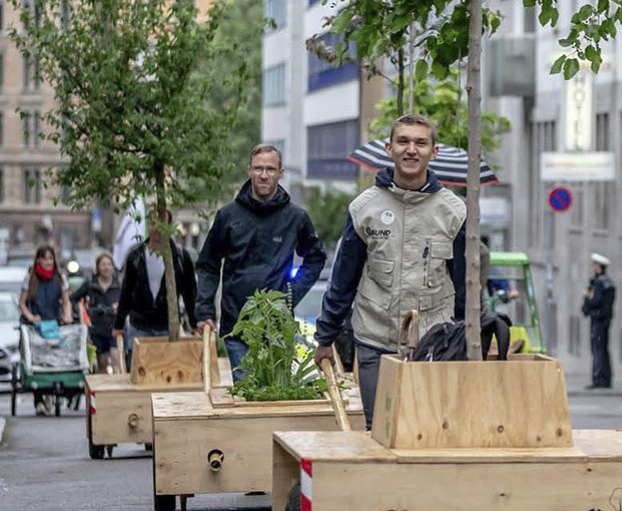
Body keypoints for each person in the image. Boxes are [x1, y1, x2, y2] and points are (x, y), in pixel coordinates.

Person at [313, 114, 467, 428]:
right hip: (375, 339)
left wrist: (467, 337)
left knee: (429, 429)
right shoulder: (364, 208)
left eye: (421, 143)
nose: (412, 150)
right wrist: (325, 337)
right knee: (379, 430)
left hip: (434, 343)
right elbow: (343, 278)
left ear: (433, 152)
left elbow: (466, 283)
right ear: (389, 148)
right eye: (404, 141)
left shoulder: (454, 212)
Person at [194, 144, 326, 381]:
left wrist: (291, 293)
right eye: (258, 169)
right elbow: (208, 263)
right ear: (249, 171)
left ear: (280, 172)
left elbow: (315, 258)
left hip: (277, 324)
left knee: (276, 398)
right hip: (237, 325)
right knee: (248, 395)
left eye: (270, 169)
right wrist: (204, 310)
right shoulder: (228, 216)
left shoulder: (295, 217)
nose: (264, 175)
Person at [112, 221, 197, 342]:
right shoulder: (135, 256)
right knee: (139, 360)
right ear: (148, 225)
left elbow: (189, 293)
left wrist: (194, 323)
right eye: (153, 222)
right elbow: (127, 291)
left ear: (169, 226)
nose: (157, 228)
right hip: (140, 326)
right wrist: (118, 324)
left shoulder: (180, 256)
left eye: (162, 222)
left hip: (168, 326)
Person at [18, 245, 73, 415]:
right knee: (37, 359)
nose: (48, 262)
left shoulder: (59, 277)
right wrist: (30, 317)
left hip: (54, 322)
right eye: (45, 258)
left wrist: (67, 315)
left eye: (51, 259)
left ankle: (50, 393)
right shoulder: (30, 278)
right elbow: (22, 303)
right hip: (36, 324)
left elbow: (66, 301)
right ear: (38, 260)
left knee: (54, 357)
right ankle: (39, 399)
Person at [72, 253, 122, 373]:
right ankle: (105, 390)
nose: (106, 267)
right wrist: (83, 314)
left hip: (115, 327)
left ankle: (118, 389)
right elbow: (73, 299)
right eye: (103, 264)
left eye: (109, 264)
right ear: (98, 267)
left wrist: (121, 308)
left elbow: (130, 300)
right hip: (97, 328)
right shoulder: (90, 284)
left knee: (117, 360)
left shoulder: (119, 284)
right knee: (102, 363)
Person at [581, 252, 616, 389]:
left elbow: (595, 300)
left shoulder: (599, 283)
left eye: (594, 265)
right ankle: (605, 379)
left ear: (599, 267)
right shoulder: (608, 282)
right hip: (605, 320)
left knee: (598, 349)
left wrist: (586, 300)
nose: (593, 267)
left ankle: (599, 379)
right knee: (603, 349)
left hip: (598, 319)